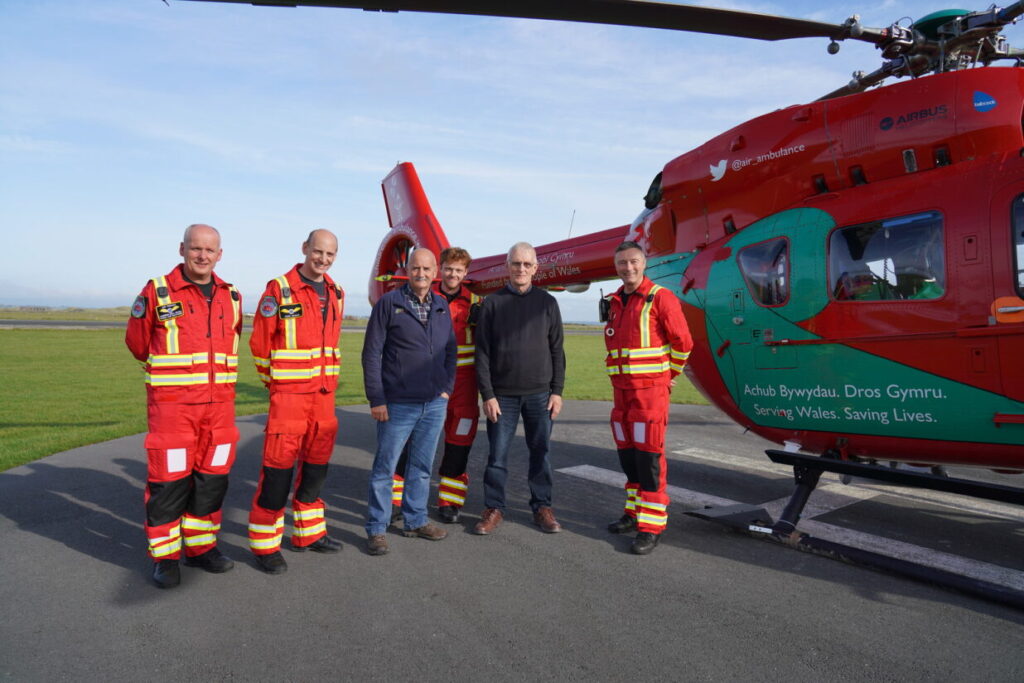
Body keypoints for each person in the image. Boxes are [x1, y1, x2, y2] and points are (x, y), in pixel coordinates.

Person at [125, 224, 243, 588]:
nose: (202, 255)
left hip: (219, 411)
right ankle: (165, 558)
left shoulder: (232, 295)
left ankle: (201, 548)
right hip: (174, 412)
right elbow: (137, 342)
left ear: (219, 254)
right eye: (196, 248)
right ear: (182, 249)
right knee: (169, 485)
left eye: (210, 250)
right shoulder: (158, 291)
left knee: (211, 484)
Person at [247, 229, 345, 574]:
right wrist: (276, 385)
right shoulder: (279, 289)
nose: (323, 259)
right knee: (277, 473)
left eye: (330, 254)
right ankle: (265, 547)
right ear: (305, 249)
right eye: (318, 252)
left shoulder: (336, 292)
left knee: (316, 470)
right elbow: (260, 344)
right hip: (289, 398)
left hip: (323, 398)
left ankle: (309, 534)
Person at [362, 248, 456, 555]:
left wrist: (446, 388)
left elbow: (451, 352)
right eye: (416, 268)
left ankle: (415, 520)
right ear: (408, 269)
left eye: (427, 269)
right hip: (398, 402)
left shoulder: (441, 305)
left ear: (435, 272)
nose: (422, 273)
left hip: (434, 403)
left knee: (422, 466)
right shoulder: (389, 303)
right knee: (385, 468)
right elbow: (372, 353)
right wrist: (377, 398)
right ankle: (377, 527)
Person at [602, 241, 693, 555]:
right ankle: (634, 512)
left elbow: (683, 342)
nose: (628, 268)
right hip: (621, 393)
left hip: (650, 394)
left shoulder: (660, 298)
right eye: (622, 263)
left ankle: (651, 527)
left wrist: (669, 377)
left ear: (644, 263)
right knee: (629, 457)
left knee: (649, 458)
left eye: (633, 262)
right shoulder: (615, 301)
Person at [473, 242, 565, 535]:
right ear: (507, 266)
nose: (521, 269)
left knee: (541, 454)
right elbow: (482, 353)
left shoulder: (548, 303)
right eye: (516, 263)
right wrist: (487, 394)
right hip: (502, 397)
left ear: (535, 268)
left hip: (540, 395)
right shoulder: (492, 303)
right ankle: (494, 507)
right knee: (497, 456)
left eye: (527, 264)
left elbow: (557, 350)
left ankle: (542, 507)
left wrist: (557, 391)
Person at [391, 247, 483, 524]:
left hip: (464, 386)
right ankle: (397, 499)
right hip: (428, 381)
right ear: (440, 269)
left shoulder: (478, 303)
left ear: (466, 273)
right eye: (449, 269)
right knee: (411, 440)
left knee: (459, 441)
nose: (453, 274)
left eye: (459, 270)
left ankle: (450, 501)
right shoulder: (425, 297)